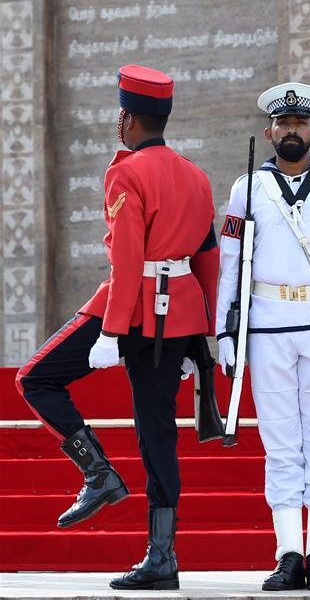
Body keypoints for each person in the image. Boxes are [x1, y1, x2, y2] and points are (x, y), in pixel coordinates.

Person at [15, 64, 219, 592]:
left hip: (129, 311)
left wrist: (110, 331)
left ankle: (97, 473)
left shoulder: (125, 172)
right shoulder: (196, 175)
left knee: (34, 379)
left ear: (126, 118)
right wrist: (211, 335)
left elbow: (127, 261)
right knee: (158, 435)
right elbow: (208, 258)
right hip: (179, 320)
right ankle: (163, 557)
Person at [216, 82, 310, 591]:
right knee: (280, 445)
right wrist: (226, 331)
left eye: (301, 124)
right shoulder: (246, 189)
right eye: (284, 124)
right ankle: (288, 552)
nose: (292, 131)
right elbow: (231, 265)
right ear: (270, 132)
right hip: (267, 324)